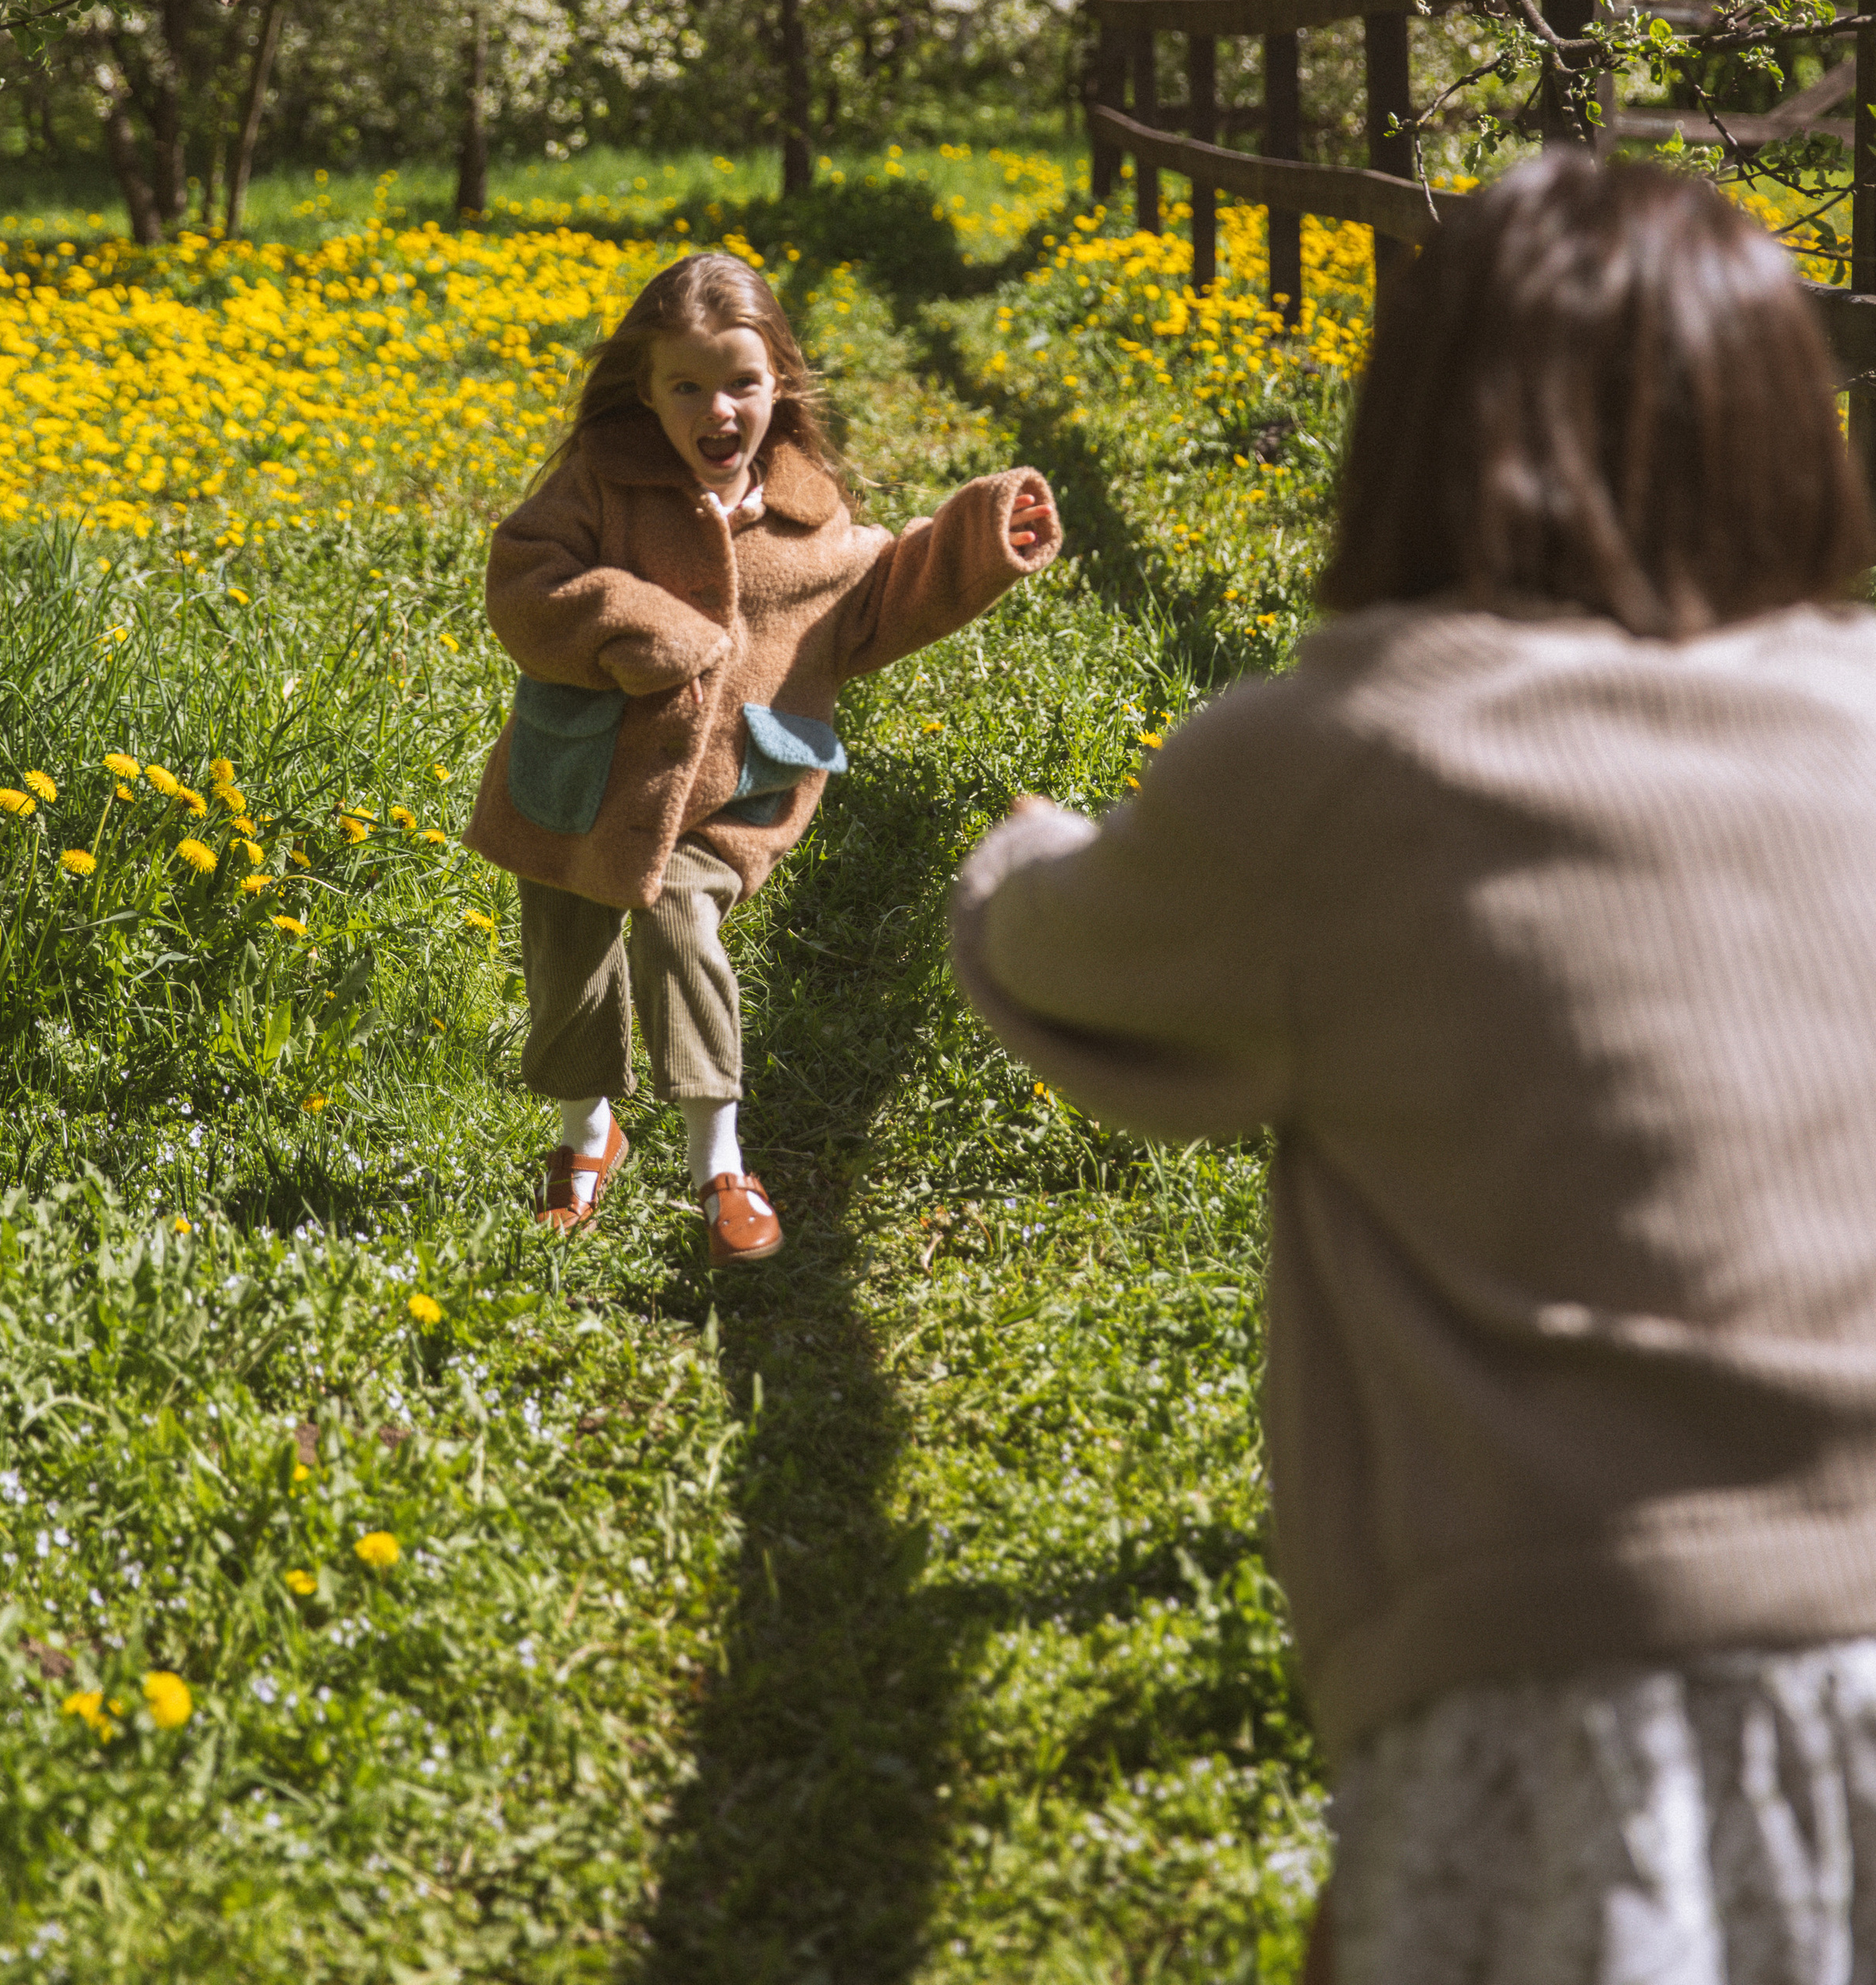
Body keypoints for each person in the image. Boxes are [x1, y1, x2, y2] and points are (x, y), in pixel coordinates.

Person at [951, 152, 1876, 1982]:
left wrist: (1010, 851)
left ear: (1422, 426)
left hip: (1593, 1699)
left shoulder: (1340, 763)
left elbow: (1058, 970)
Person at [465, 248, 1060, 1267]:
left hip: (734, 784)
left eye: (741, 382)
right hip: (585, 773)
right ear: (647, 393)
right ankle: (586, 1138)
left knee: (678, 916)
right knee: (569, 965)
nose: (718, 409)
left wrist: (980, 531)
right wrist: (640, 626)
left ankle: (718, 1163)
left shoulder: (806, 509)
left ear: (779, 381)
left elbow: (880, 593)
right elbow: (526, 581)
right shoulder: (600, 484)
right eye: (686, 386)